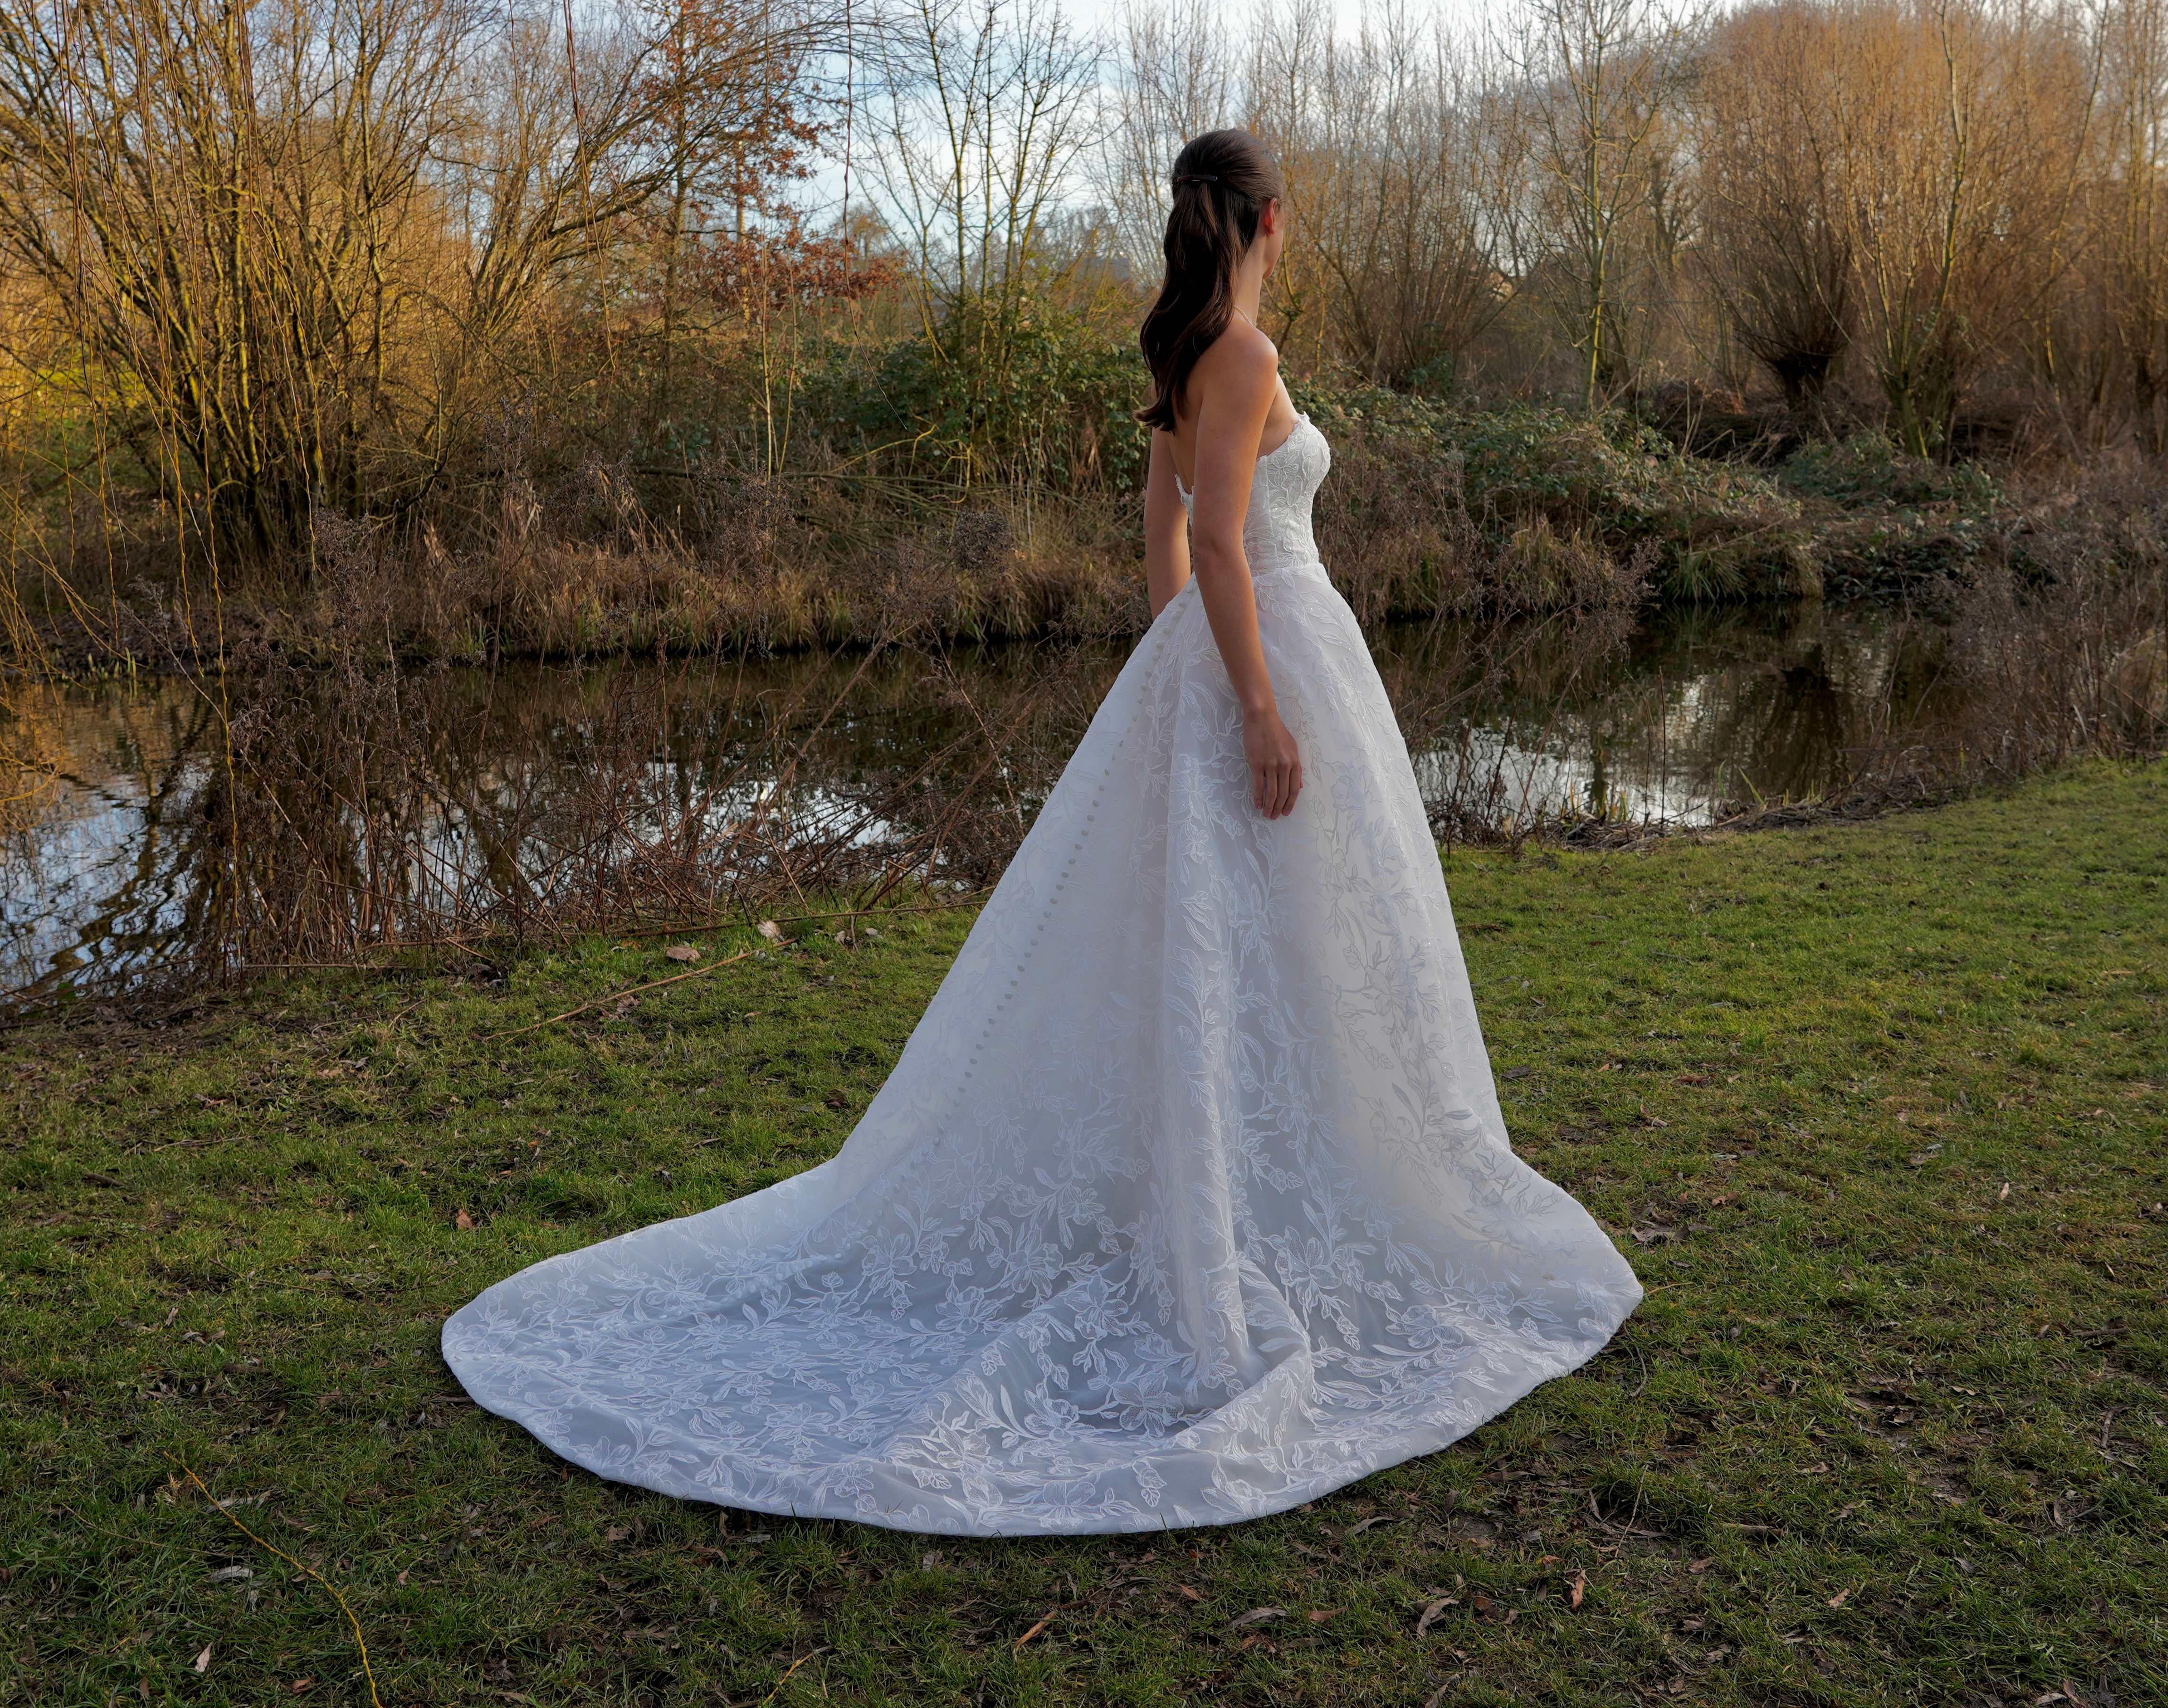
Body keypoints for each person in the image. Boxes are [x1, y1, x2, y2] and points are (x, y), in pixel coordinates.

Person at [442, 127, 1642, 1535]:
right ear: (1272, 220)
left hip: (1224, 656)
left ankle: (1264, 1173)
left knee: (1271, 947)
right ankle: (1260, 1200)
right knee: (1278, 942)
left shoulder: (1187, 354)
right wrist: (1250, 705)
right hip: (1273, 657)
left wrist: (1181, 675)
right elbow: (1213, 540)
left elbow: (1162, 538)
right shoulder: (1241, 356)